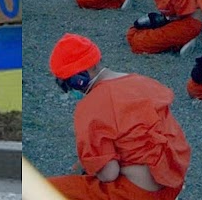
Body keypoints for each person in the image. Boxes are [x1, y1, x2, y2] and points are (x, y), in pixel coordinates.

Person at [48, 33, 190, 200]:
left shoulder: (91, 106)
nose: (68, 91)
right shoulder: (143, 82)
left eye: (65, 84)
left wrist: (92, 166)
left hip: (136, 193)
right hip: (171, 186)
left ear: (79, 78)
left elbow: (109, 174)